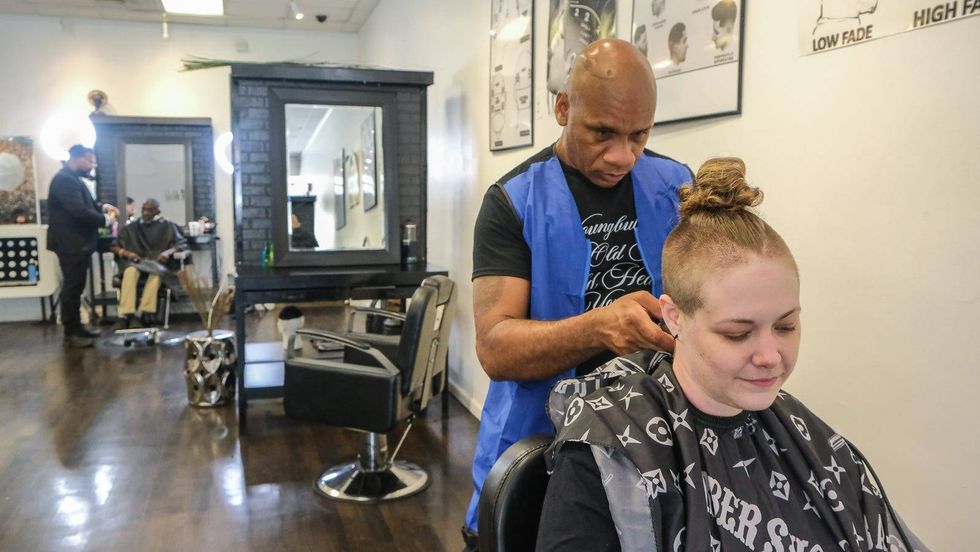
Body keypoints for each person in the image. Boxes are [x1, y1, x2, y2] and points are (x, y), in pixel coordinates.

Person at [536, 158, 928, 551]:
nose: (771, 356)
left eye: (786, 326)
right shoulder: (607, 454)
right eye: (738, 334)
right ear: (674, 317)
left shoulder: (803, 434)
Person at [464, 38, 692, 548]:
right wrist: (601, 327)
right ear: (563, 107)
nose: (623, 156)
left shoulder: (677, 187)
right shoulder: (513, 203)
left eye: (639, 136)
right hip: (538, 447)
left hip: (651, 441)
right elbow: (495, 348)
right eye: (603, 133)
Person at [46, 144, 117, 348]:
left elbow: (87, 205)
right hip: (70, 243)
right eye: (90, 162)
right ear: (78, 158)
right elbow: (78, 211)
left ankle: (77, 328)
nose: (92, 167)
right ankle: (71, 331)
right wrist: (105, 220)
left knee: (76, 286)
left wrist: (103, 207)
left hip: (77, 243)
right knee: (72, 286)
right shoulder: (64, 181)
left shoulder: (72, 180)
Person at [111, 198, 187, 329]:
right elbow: (114, 246)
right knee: (129, 271)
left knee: (156, 275)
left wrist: (167, 252)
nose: (146, 213)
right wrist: (127, 254)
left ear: (157, 211)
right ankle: (125, 315)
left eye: (150, 210)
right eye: (144, 210)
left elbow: (181, 244)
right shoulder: (132, 228)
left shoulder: (168, 226)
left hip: (158, 265)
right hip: (137, 263)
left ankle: (139, 315)